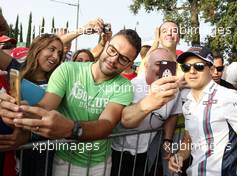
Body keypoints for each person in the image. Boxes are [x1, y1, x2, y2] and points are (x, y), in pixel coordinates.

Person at [0, 28, 141, 176]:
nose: (113, 60)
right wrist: (18, 114)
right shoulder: (67, 69)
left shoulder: (124, 86)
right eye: (112, 50)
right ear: (106, 45)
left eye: (123, 59)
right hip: (63, 160)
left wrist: (72, 128)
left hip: (100, 163)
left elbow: (106, 124)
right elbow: (46, 106)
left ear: (129, 64)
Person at [168, 46, 237, 176]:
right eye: (186, 67)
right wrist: (179, 155)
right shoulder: (188, 104)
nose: (192, 71)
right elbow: (188, 141)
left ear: (211, 69)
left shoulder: (229, 96)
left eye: (199, 66)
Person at [0, 33, 64, 176]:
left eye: (59, 53)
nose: (55, 56)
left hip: (44, 148)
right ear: (38, 48)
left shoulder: (58, 81)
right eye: (51, 49)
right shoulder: (16, 68)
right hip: (17, 147)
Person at [111, 48, 182, 176]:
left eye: (169, 65)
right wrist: (150, 102)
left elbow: (172, 115)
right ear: (146, 65)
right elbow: (125, 120)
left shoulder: (173, 90)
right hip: (117, 151)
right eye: (158, 64)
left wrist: (167, 141)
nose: (163, 70)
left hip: (146, 152)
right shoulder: (131, 86)